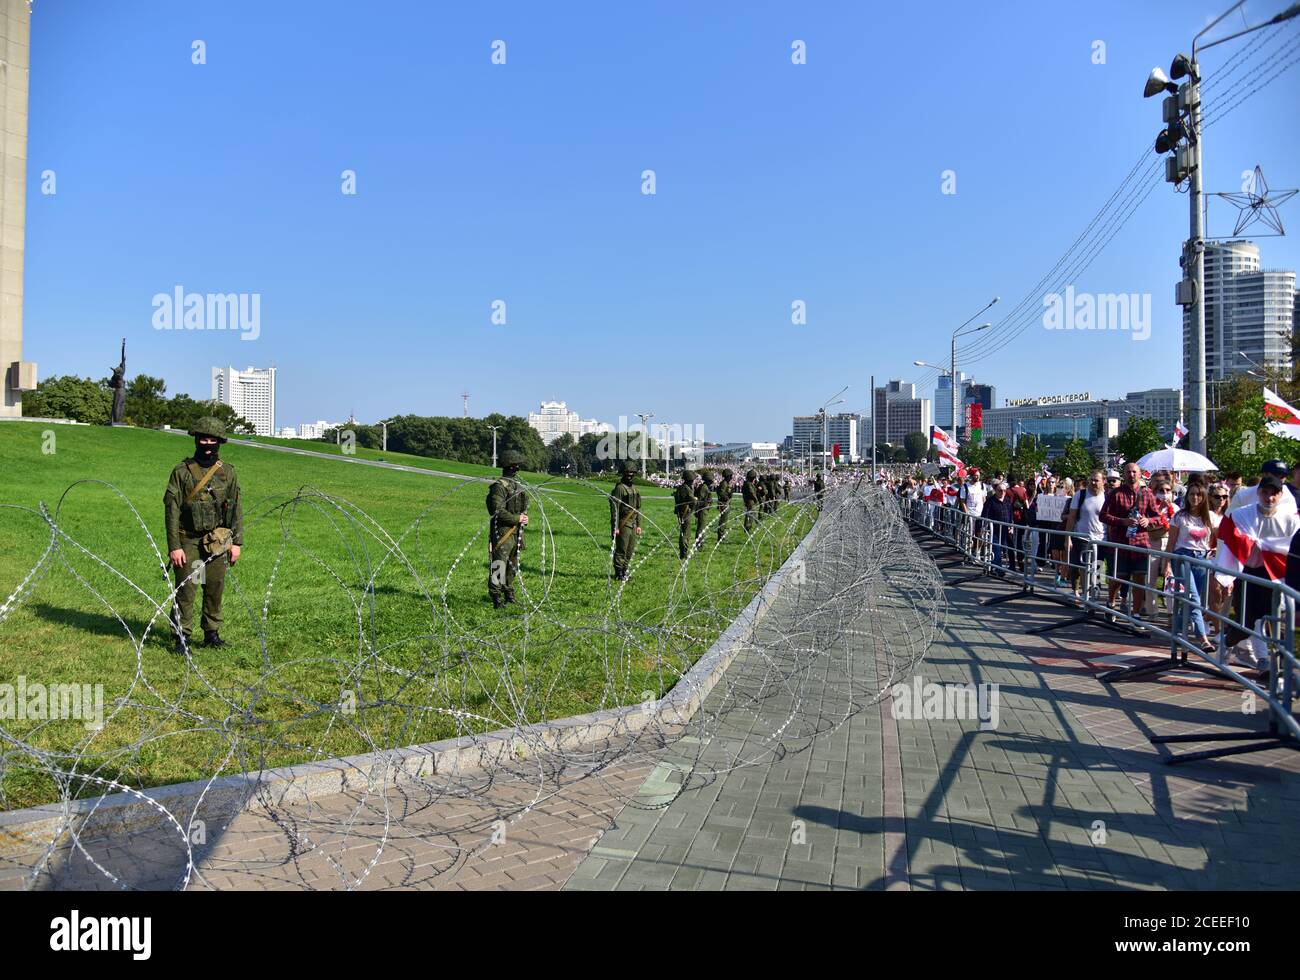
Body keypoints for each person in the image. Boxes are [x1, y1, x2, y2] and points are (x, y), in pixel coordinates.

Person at [165, 416, 244, 652]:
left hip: (217, 540)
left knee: (214, 587)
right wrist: (174, 546)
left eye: (212, 439)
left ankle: (211, 633)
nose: (207, 443)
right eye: (203, 438)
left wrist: (236, 542)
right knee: (187, 588)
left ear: (219, 442)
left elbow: (235, 507)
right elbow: (172, 510)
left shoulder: (227, 473)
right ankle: (182, 636)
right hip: (187, 539)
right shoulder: (181, 472)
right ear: (196, 440)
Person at [1215, 475, 1300, 677]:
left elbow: (1292, 550)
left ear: (1280, 495)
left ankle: (1277, 665)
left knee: (1277, 621)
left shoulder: (1291, 519)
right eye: (1265, 492)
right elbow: (1230, 541)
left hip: (1277, 577)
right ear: (1258, 493)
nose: (1269, 497)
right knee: (1246, 623)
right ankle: (1226, 645)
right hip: (1250, 575)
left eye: (1274, 493)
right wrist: (1227, 575)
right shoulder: (1243, 515)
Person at [1099, 461, 1163, 622]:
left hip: (1141, 543)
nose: (1131, 475)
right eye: (1128, 472)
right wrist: (1122, 521)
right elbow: (1103, 516)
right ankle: (1111, 602)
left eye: (1134, 472)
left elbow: (1158, 517)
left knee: (1140, 578)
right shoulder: (1116, 493)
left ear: (1140, 474)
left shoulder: (1147, 493)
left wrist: (1148, 521)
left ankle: (1135, 613)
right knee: (1118, 578)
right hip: (1121, 542)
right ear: (1124, 475)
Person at [1162, 482, 1216, 653]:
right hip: (1183, 557)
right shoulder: (1179, 516)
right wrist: (1167, 563)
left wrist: (1215, 550)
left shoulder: (1210, 517)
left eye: (1199, 495)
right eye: (1192, 494)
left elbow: (1218, 539)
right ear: (1187, 496)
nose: (1195, 498)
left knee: (1190, 601)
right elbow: (1171, 542)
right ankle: (1203, 639)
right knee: (1193, 598)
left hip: (1202, 559)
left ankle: (1175, 631)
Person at [486, 450, 529, 607]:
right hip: (503, 531)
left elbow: (524, 506)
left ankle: (508, 592)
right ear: (510, 466)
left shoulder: (517, 486)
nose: (517, 468)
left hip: (517, 531)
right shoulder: (499, 487)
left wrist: (524, 517)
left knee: (513, 564)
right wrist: (517, 518)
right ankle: (496, 596)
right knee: (499, 563)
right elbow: (497, 510)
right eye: (515, 465)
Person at [1064, 469, 1108, 598]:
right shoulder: (1080, 495)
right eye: (1092, 480)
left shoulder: (1108, 496)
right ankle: (1086, 595)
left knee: (1098, 568)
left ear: (1103, 482)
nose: (1093, 483)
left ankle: (1096, 592)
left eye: (1097, 480)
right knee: (1084, 567)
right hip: (1082, 537)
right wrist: (1068, 538)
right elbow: (1071, 517)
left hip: (1101, 538)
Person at [610, 462, 642, 581]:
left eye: (632, 474)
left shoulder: (635, 489)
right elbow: (615, 508)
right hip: (623, 523)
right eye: (627, 474)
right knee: (621, 549)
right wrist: (615, 526)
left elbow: (638, 508)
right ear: (623, 474)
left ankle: (625, 570)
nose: (630, 476)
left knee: (630, 549)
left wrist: (639, 525)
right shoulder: (619, 488)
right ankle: (618, 573)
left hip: (633, 523)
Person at [983, 481, 1014, 573]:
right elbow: (984, 515)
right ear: (996, 490)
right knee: (996, 548)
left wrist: (1011, 526)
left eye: (1004, 491)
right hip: (995, 529)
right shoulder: (990, 501)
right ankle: (999, 569)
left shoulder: (1007, 501)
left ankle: (1012, 566)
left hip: (1006, 528)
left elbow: (1010, 514)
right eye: (1000, 490)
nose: (1003, 492)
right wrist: (982, 528)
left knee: (1010, 547)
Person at [674, 470, 697, 558]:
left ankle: (682, 552)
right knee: (686, 534)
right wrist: (695, 500)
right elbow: (693, 500)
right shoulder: (687, 488)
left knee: (683, 532)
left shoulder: (680, 487)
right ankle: (684, 553)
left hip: (681, 512)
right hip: (686, 512)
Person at [693, 469, 713, 547]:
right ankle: (699, 543)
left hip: (704, 509)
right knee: (701, 527)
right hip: (702, 510)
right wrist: (707, 503)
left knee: (702, 527)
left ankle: (700, 542)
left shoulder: (704, 487)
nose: (712, 482)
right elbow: (700, 500)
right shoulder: (704, 487)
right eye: (711, 480)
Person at [716, 468, 734, 541]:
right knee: (723, 520)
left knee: (724, 520)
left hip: (725, 503)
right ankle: (720, 536)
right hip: (723, 504)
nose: (731, 478)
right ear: (727, 476)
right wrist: (727, 496)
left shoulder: (726, 483)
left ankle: (722, 534)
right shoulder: (724, 483)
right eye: (730, 476)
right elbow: (721, 493)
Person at [743, 468, 762, 534]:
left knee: (752, 514)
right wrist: (756, 499)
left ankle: (749, 527)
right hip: (750, 501)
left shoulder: (749, 483)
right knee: (750, 515)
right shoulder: (748, 484)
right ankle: (747, 528)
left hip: (750, 501)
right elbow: (752, 492)